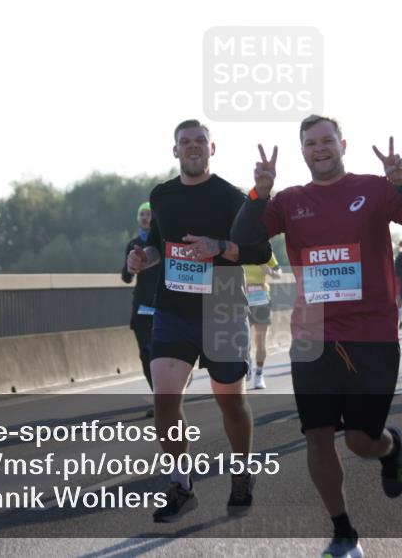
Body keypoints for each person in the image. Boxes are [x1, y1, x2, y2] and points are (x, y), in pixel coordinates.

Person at [231, 116, 402, 558]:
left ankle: (390, 447)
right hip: (313, 335)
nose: (320, 148)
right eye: (310, 143)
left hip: (372, 333)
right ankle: (343, 531)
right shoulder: (289, 200)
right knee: (317, 435)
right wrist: (259, 193)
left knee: (360, 440)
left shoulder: (375, 188)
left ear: (342, 144)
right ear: (302, 151)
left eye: (327, 140)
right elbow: (244, 238)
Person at [126, 120, 272, 522]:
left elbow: (260, 251)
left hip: (222, 309)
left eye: (199, 141)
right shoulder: (162, 196)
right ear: (175, 151)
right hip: (173, 309)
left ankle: (241, 472)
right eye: (184, 142)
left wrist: (219, 247)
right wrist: (143, 258)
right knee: (165, 399)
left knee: (231, 402)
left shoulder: (230, 197)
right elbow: (158, 246)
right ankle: (180, 483)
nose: (192, 147)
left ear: (212, 148)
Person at [122, 201, 161, 413]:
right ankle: (159, 398)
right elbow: (126, 277)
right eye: (142, 214)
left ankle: (168, 390)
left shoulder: (161, 242)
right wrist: (132, 265)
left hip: (162, 305)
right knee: (145, 355)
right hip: (141, 306)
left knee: (159, 353)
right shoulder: (133, 244)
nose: (145, 218)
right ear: (138, 219)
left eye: (148, 214)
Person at [243, 253, 281, 390]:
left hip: (261, 300)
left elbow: (278, 273)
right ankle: (246, 362)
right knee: (242, 340)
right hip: (241, 301)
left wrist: (267, 269)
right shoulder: (236, 247)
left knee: (260, 341)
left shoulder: (265, 251)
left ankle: (259, 375)